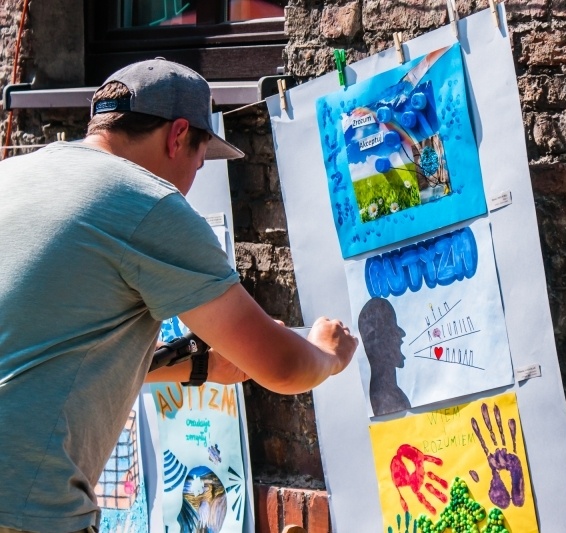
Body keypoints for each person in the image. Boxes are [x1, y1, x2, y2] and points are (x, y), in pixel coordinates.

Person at [0, 58, 358, 533]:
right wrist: (326, 351)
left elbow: (48, 351)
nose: (193, 179)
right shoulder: (145, 202)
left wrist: (202, 367)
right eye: (199, 157)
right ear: (177, 135)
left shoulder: (15, 176)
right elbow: (285, 368)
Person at [358, 297, 411, 416]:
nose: (401, 333)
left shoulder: (391, 394)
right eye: (391, 327)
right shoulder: (387, 400)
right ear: (376, 339)